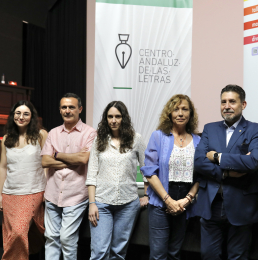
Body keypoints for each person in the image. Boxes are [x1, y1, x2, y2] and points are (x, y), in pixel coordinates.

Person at [194, 84, 258, 260]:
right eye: (223, 102)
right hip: (211, 204)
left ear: (243, 104)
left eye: (232, 101)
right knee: (208, 255)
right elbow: (198, 162)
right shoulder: (210, 129)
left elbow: (252, 162)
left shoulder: (256, 129)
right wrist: (226, 173)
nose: (227, 106)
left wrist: (217, 157)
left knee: (238, 256)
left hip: (241, 204)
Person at [141, 94, 201, 260]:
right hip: (161, 202)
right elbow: (150, 172)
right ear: (169, 113)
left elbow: (201, 176)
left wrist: (186, 200)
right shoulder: (158, 136)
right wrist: (168, 201)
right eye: (176, 109)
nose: (180, 113)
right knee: (158, 255)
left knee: (175, 253)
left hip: (184, 204)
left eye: (184, 109)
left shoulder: (198, 140)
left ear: (191, 114)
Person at [86, 101, 148, 259]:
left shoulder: (136, 139)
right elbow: (92, 174)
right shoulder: (99, 140)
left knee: (118, 252)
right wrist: (92, 203)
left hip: (128, 204)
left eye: (117, 116)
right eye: (110, 116)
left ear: (124, 118)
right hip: (101, 203)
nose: (113, 120)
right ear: (106, 119)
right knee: (99, 252)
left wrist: (145, 195)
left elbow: (145, 169)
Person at [41, 93, 97, 260]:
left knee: (67, 239)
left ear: (80, 109)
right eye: (64, 107)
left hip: (76, 195)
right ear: (60, 110)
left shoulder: (90, 133)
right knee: (51, 238)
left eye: (71, 107)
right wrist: (70, 160)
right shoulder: (53, 132)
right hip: (52, 193)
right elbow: (45, 161)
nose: (67, 110)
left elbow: (83, 159)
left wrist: (57, 154)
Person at [0, 100, 48, 259]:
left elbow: (47, 164)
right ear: (13, 116)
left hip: (33, 191)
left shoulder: (41, 135)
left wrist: (46, 187)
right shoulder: (6, 139)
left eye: (26, 113)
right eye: (18, 113)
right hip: (10, 193)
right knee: (13, 235)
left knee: (18, 232)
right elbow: (3, 167)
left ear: (32, 117)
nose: (21, 117)